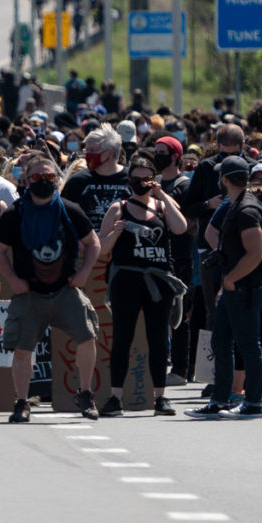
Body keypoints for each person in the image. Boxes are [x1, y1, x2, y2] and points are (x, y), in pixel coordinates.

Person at [0, 154, 98, 423]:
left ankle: (85, 394)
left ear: (57, 179)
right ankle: (22, 401)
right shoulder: (15, 214)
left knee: (87, 336)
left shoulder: (70, 210)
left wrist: (84, 272)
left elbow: (93, 243)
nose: (43, 181)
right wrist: (12, 280)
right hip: (29, 291)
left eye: (49, 177)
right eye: (37, 177)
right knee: (23, 348)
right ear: (26, 180)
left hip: (65, 288)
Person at [96, 148, 185, 416]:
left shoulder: (161, 205)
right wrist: (115, 233)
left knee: (158, 338)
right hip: (126, 280)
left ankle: (160, 397)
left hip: (157, 282)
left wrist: (162, 195)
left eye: (147, 178)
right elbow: (102, 249)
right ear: (129, 181)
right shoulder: (118, 208)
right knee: (122, 337)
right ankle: (115, 398)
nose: (142, 183)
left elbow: (181, 227)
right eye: (137, 178)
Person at [193, 154, 262, 420]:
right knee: (221, 340)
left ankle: (252, 402)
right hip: (234, 286)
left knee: (249, 344)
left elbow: (256, 253)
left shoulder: (247, 209)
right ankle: (220, 399)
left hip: (245, 287)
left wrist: (230, 279)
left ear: (225, 179)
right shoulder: (235, 204)